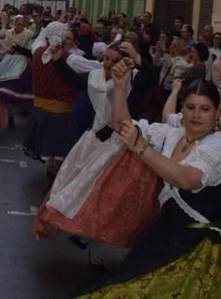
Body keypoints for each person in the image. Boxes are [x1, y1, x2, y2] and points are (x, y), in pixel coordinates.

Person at [78, 66, 221, 297]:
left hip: (196, 246)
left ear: (217, 112)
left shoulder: (216, 145)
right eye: (190, 107)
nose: (196, 115)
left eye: (205, 109)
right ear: (181, 109)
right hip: (162, 235)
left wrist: (141, 147)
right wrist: (121, 86)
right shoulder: (171, 135)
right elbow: (123, 127)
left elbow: (188, 179)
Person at [32, 41, 160, 248]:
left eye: (114, 60)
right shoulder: (95, 77)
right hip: (94, 138)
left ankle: (94, 239)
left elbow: (153, 80)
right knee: (77, 182)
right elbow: (72, 80)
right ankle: (76, 227)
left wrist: (137, 57)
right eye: (106, 59)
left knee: (104, 191)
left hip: (121, 143)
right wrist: (56, 60)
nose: (108, 64)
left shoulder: (133, 79)